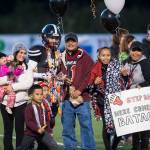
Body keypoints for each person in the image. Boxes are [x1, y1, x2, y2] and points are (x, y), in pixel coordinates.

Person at [60, 32, 96, 150]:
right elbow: (56, 74)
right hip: (66, 98)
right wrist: (62, 78)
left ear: (77, 43)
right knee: (67, 128)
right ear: (65, 43)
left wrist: (79, 90)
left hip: (83, 98)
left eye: (73, 41)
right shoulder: (60, 57)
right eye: (68, 41)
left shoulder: (84, 56)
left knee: (86, 127)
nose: (70, 43)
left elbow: (90, 75)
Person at [0, 42, 37, 150]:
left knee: (20, 131)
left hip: (21, 103)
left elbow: (28, 84)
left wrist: (12, 87)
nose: (22, 55)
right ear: (15, 52)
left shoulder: (27, 67)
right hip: (5, 102)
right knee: (8, 130)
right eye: (20, 52)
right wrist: (9, 78)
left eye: (24, 53)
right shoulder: (8, 64)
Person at [88, 47, 124, 150]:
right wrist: (95, 83)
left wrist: (124, 75)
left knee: (120, 126)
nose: (106, 57)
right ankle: (108, 148)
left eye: (108, 55)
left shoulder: (116, 65)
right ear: (99, 56)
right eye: (103, 55)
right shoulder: (95, 68)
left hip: (116, 100)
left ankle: (114, 146)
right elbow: (89, 87)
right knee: (106, 126)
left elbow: (124, 82)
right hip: (102, 100)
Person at [121, 41, 150, 150]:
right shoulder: (125, 62)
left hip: (143, 99)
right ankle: (135, 147)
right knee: (133, 128)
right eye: (134, 50)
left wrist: (141, 85)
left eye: (139, 50)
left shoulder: (145, 63)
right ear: (130, 51)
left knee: (143, 128)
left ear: (142, 52)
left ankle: (144, 147)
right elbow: (120, 82)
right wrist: (123, 77)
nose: (136, 53)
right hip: (129, 99)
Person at [16, 84, 59, 150]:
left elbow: (46, 120)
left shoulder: (43, 106)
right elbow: (29, 122)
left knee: (54, 147)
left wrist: (49, 131)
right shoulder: (29, 108)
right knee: (22, 147)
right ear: (31, 96)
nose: (40, 96)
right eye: (37, 94)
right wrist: (37, 129)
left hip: (43, 132)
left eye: (41, 94)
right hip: (30, 133)